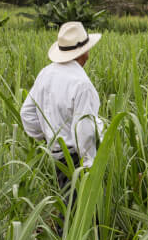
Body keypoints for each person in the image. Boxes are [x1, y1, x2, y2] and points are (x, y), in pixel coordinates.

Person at [21, 21, 105, 195]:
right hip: (76, 159)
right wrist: (89, 166)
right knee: (79, 213)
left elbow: (27, 113)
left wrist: (48, 138)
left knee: (66, 202)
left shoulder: (46, 73)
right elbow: (85, 130)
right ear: (83, 53)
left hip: (56, 155)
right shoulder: (82, 84)